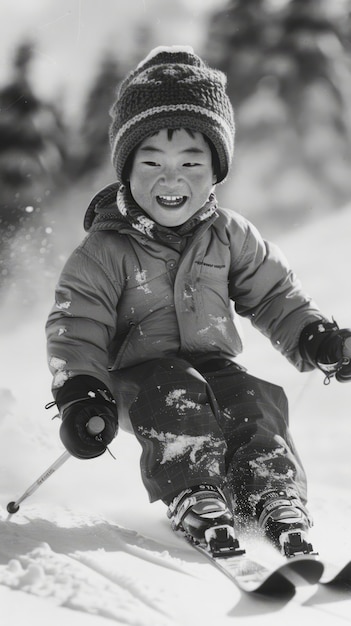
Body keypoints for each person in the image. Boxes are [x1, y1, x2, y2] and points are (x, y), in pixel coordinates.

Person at [46, 45, 351, 557]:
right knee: (176, 389)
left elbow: (274, 294)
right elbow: (76, 325)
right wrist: (80, 390)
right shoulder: (105, 249)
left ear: (215, 171)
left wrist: (315, 336)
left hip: (212, 364)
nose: (172, 178)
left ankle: (270, 491)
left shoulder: (229, 235)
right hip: (139, 381)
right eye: (152, 162)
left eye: (191, 161)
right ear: (126, 170)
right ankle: (195, 492)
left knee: (253, 398)